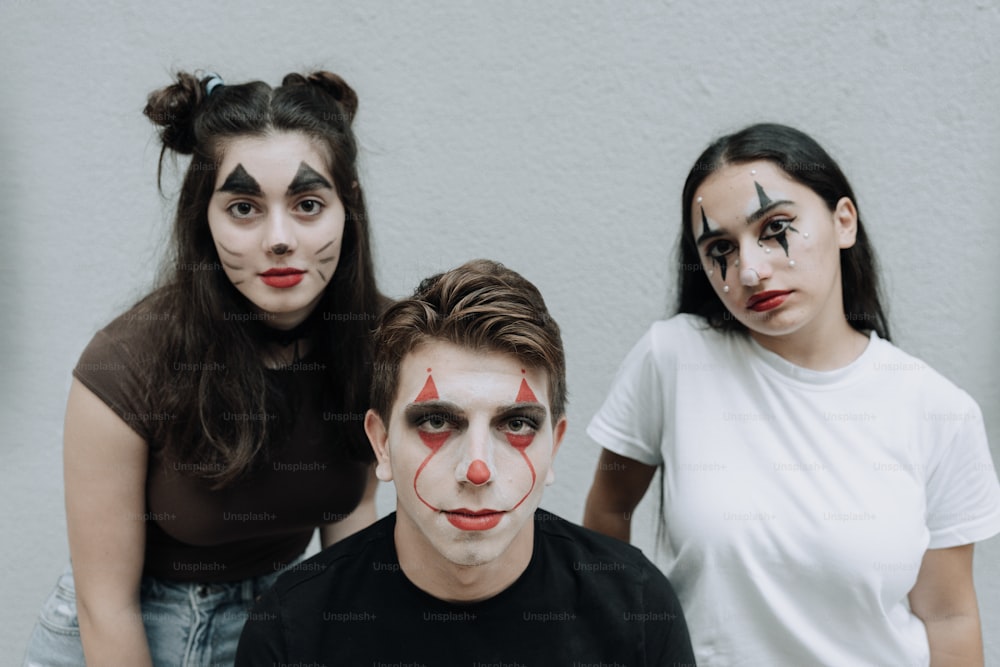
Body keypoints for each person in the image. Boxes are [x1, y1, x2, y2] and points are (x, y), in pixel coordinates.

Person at [583, 123, 1000, 666]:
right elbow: (608, 513)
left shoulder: (938, 410)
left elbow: (949, 616)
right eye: (720, 249)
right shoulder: (673, 359)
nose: (751, 270)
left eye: (775, 227)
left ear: (842, 221)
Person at [24, 70, 385, 666]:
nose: (279, 239)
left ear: (348, 204)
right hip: (133, 629)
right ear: (204, 218)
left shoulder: (376, 340)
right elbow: (104, 604)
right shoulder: (127, 364)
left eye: (308, 204)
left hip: (277, 620)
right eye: (243, 207)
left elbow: (350, 512)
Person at [235, 259, 696, 665]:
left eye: (516, 425)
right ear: (380, 444)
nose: (478, 470)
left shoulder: (637, 605)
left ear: (553, 447)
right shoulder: (291, 627)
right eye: (436, 420)